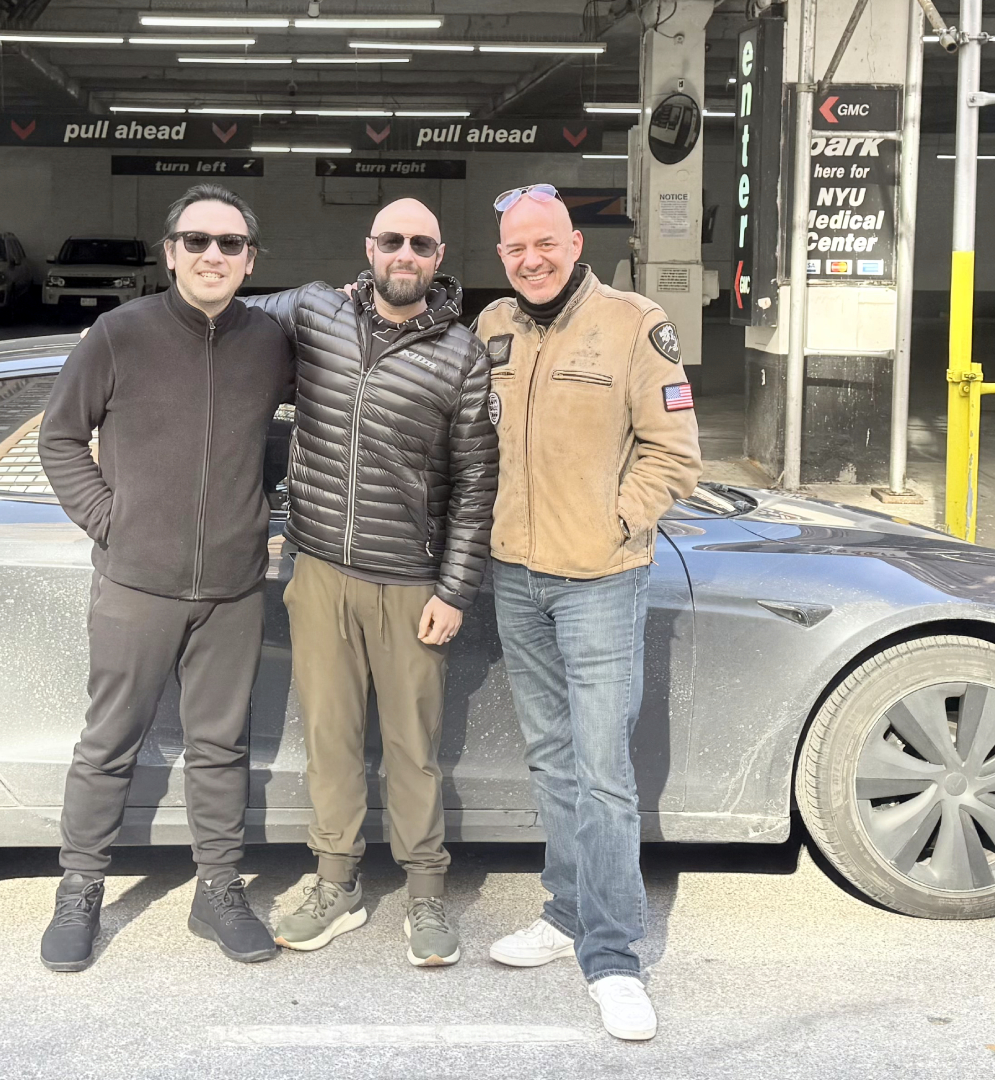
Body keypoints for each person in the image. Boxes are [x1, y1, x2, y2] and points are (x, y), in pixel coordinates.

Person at [35, 184, 294, 972]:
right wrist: (115, 522)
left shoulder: (272, 343)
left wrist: (258, 499)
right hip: (134, 584)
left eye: (230, 244)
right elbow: (59, 441)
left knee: (220, 748)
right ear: (170, 250)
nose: (212, 255)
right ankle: (79, 890)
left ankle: (218, 892)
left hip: (231, 588)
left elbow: (290, 438)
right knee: (108, 741)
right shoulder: (119, 334)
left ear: (251, 259)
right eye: (196, 241)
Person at [242, 199, 497, 967]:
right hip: (319, 570)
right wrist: (131, 330)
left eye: (421, 242)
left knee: (413, 748)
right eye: (393, 241)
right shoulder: (317, 311)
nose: (405, 253)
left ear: (438, 254)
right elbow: (227, 310)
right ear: (371, 248)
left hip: (411, 583)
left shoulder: (461, 355)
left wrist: (453, 591)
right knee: (331, 739)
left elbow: (477, 481)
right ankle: (336, 883)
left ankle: (425, 894)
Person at [474, 184, 701, 1039]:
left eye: (544, 243)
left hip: (600, 580)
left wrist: (616, 519)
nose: (531, 259)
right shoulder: (492, 328)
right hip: (516, 577)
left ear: (573, 242)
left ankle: (614, 957)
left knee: (604, 773)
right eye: (514, 249)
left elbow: (674, 454)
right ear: (502, 258)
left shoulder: (634, 324)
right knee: (552, 759)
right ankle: (566, 913)